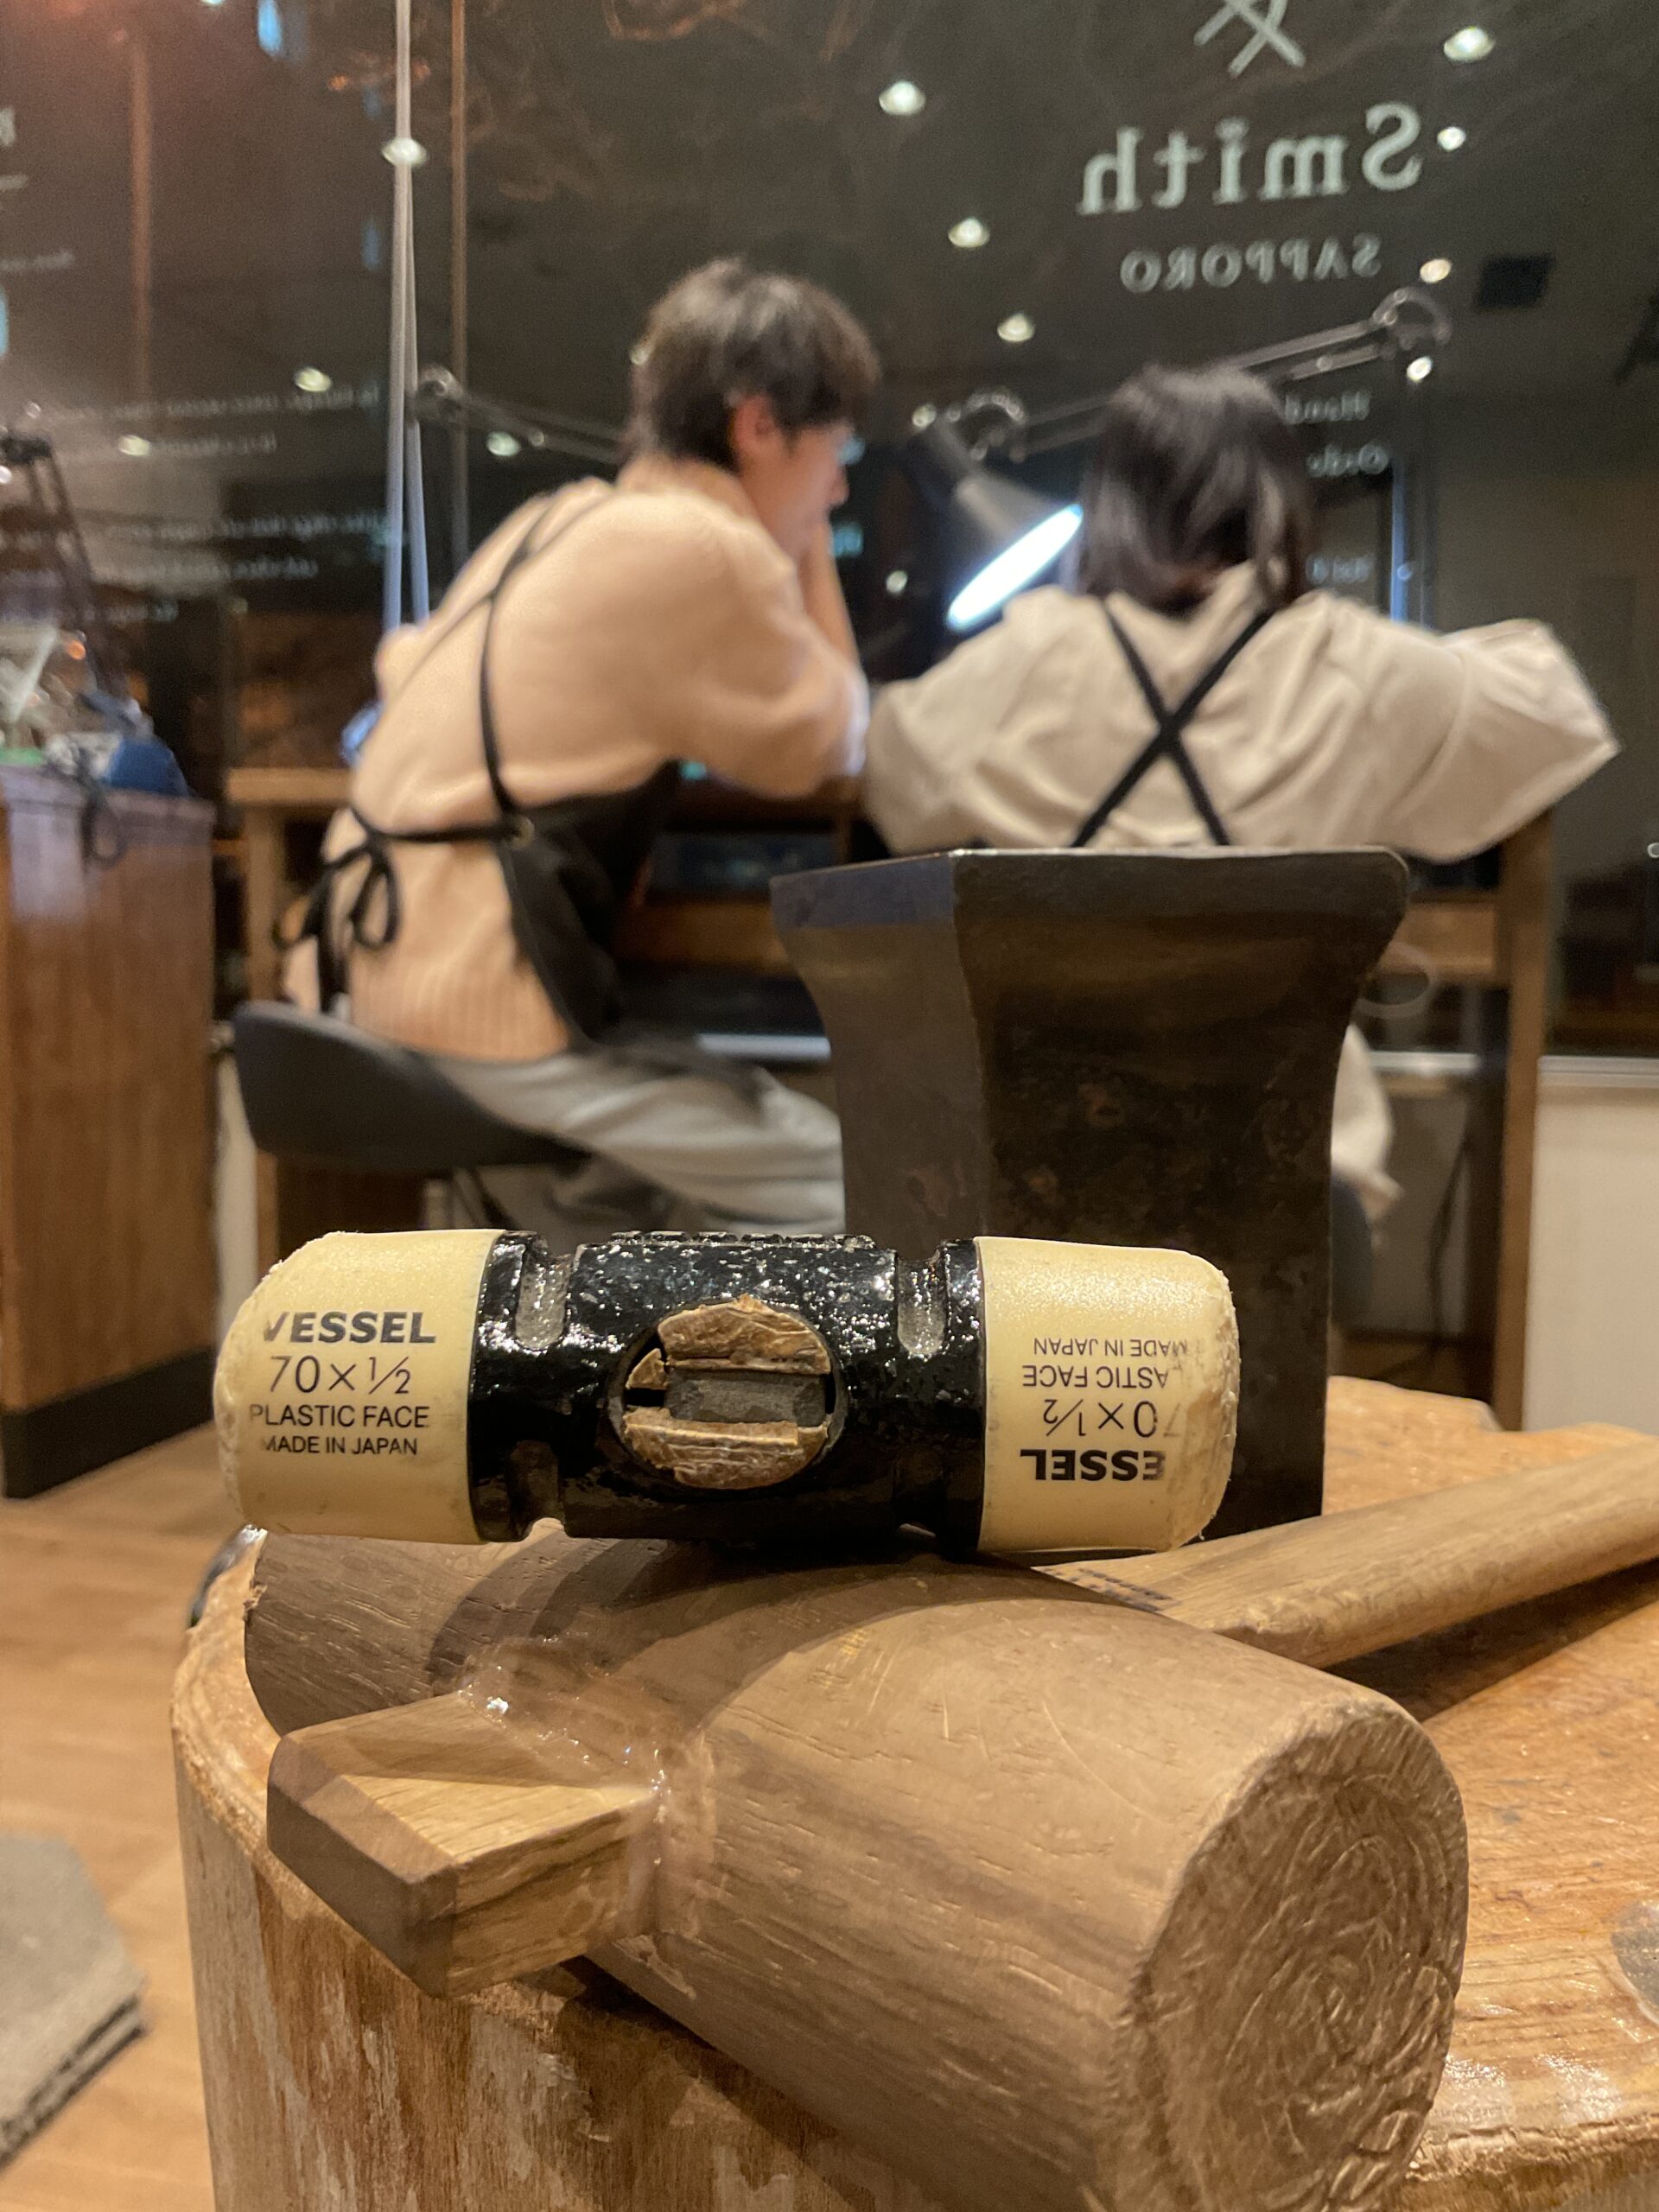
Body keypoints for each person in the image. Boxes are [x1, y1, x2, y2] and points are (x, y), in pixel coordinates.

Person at [862, 363, 1617, 1218]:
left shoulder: (1022, 663)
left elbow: (883, 768)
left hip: (1051, 1167)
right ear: (1280, 499)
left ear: (1108, 505)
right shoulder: (1350, 662)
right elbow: (1552, 710)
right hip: (1288, 1167)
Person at [289, 259, 878, 1243]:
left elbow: (404, 666)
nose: (841, 483)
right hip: (480, 1005)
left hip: (357, 970)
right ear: (759, 426)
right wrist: (809, 541)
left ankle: (584, 1328)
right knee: (848, 1182)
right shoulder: (704, 547)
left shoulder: (552, 518)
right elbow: (833, 742)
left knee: (618, 1200)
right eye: (835, 452)